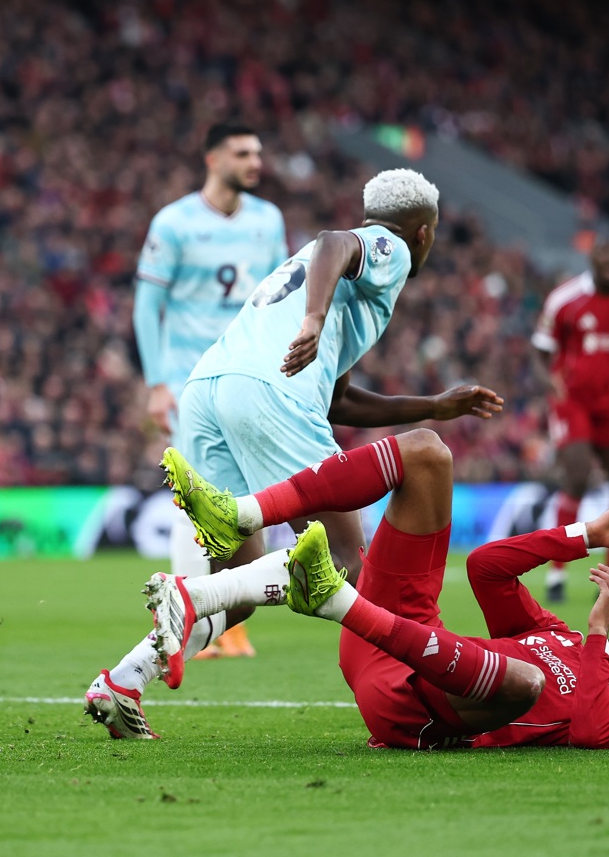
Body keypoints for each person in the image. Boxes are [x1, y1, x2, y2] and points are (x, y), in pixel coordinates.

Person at [85, 169, 504, 738]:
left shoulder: (348, 292)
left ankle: (124, 680)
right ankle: (193, 593)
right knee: (346, 562)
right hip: (268, 390)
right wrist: (311, 320)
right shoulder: (393, 248)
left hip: (210, 388)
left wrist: (434, 404)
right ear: (424, 231)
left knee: (238, 592)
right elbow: (337, 241)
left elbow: (339, 400)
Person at [148, 429, 609, 748]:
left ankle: (336, 601)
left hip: (414, 712)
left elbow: (589, 733)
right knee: (428, 454)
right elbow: (488, 567)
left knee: (525, 680)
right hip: (402, 640)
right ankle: (242, 515)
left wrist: (598, 631)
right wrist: (584, 535)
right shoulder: (554, 634)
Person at [134, 122, 287, 660]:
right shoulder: (174, 223)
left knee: (244, 502)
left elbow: (280, 299)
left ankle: (226, 621)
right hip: (189, 380)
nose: (255, 162)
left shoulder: (268, 220)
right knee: (191, 498)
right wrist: (156, 382)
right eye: (243, 153)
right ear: (212, 158)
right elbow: (145, 305)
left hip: (248, 376)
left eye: (258, 152)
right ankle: (180, 620)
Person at [531, 236, 609, 603]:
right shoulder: (565, 300)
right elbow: (540, 352)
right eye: (604, 254)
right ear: (592, 257)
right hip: (572, 400)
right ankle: (556, 576)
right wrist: (548, 381)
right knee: (578, 475)